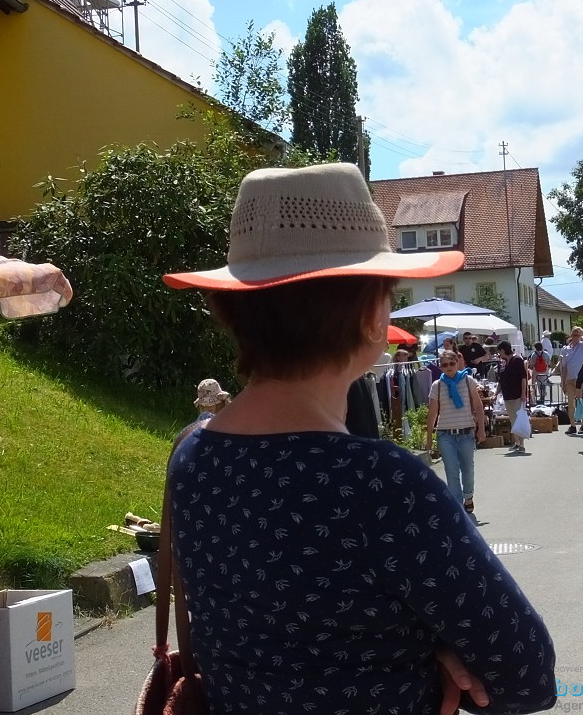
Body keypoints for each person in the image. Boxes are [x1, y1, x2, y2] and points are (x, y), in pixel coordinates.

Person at [162, 163, 556, 714]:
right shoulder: (382, 483)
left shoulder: (192, 458)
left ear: (230, 309)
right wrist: (437, 651)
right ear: (374, 315)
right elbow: (526, 677)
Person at [427, 351, 487, 512]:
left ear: (457, 363)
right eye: (444, 365)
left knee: (468, 469)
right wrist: (428, 437)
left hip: (466, 433)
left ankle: (468, 496)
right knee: (451, 470)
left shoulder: (468, 381)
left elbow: (478, 406)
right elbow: (432, 412)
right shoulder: (437, 385)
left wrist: (481, 429)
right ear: (440, 367)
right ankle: (458, 506)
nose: (449, 367)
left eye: (451, 363)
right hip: (445, 434)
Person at [496, 340, 529, 453]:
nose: (499, 354)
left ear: (503, 350)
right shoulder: (504, 363)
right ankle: (517, 442)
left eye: (499, 351)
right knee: (512, 420)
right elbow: (501, 380)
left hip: (517, 394)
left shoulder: (517, 360)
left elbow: (523, 378)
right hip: (507, 396)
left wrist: (523, 394)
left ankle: (522, 444)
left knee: (518, 419)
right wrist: (496, 394)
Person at [559, 327, 583, 435]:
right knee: (571, 403)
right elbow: (564, 367)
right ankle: (572, 425)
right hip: (570, 379)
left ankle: (582, 425)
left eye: (578, 335)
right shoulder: (565, 349)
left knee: (582, 402)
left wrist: (581, 330)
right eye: (574, 335)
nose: (576, 337)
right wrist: (562, 382)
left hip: (581, 379)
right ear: (571, 336)